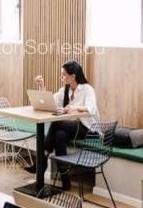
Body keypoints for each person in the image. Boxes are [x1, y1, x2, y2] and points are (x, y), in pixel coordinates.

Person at [30, 60, 100, 189]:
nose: (61, 77)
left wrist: (72, 108)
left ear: (73, 76)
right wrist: (42, 86)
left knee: (57, 123)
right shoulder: (65, 90)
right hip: (71, 128)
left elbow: (91, 109)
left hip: (87, 129)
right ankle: (65, 182)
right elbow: (50, 101)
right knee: (60, 136)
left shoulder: (87, 89)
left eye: (64, 74)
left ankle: (43, 157)